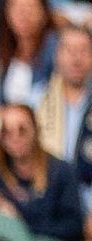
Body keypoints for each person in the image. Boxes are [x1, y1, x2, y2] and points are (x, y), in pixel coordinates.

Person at [0, 103, 84, 241]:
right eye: (7, 132)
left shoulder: (61, 170)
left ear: (35, 130)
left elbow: (73, 226)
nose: (15, 137)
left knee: (6, 233)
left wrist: (19, 220)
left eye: (22, 130)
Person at [36, 23, 92, 173]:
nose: (76, 59)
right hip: (49, 189)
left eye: (84, 51)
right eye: (69, 50)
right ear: (57, 55)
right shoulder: (36, 100)